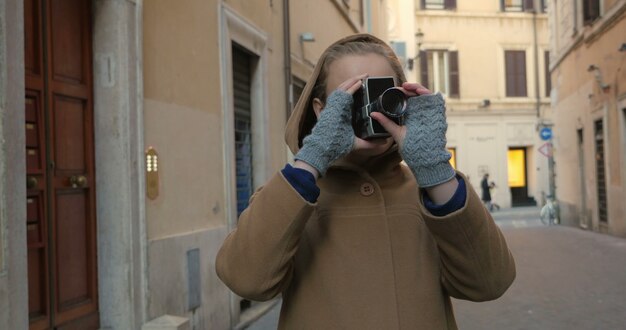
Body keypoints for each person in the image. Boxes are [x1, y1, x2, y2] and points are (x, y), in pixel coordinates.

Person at [216, 33, 515, 329]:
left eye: (383, 94)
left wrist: (435, 171)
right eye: (356, 96)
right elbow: (245, 281)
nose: (371, 110)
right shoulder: (291, 195)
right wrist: (313, 157)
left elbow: (490, 283)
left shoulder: (429, 194)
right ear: (321, 110)